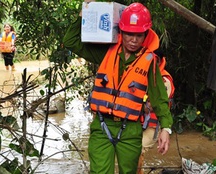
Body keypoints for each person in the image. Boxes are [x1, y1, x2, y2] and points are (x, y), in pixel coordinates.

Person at [63, 2, 173, 173]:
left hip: (130, 129)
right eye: (129, 34)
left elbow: (159, 99)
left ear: (146, 34)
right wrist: (83, 15)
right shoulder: (106, 52)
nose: (134, 40)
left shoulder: (150, 61)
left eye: (139, 35)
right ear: (121, 31)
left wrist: (166, 128)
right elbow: (70, 41)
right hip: (102, 126)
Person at [137, 55, 175, 174]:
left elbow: (156, 104)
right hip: (140, 121)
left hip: (153, 124)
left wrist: (143, 104)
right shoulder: (142, 73)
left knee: (139, 150)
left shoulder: (164, 80)